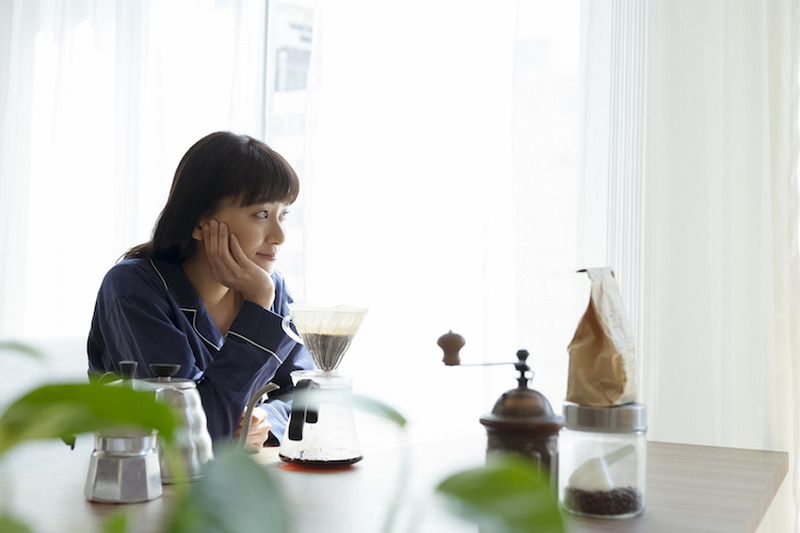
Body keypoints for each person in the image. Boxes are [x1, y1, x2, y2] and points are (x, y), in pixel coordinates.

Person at [87, 131, 313, 449]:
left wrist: (264, 420)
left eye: (283, 215)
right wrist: (258, 304)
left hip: (243, 482)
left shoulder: (272, 287)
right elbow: (191, 431)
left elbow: (309, 394)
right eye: (261, 214)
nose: (280, 235)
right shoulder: (134, 288)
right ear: (199, 222)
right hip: (152, 489)